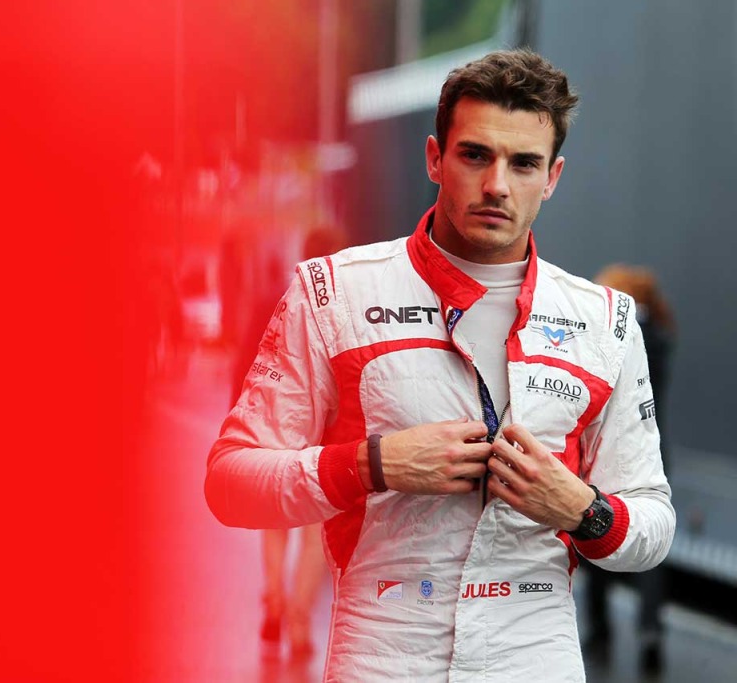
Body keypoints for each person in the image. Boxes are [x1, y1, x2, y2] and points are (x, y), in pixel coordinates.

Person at [204, 48, 675, 682]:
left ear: (553, 176)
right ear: (435, 158)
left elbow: (654, 525)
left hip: (536, 659)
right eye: (475, 155)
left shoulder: (606, 321)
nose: (497, 185)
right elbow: (230, 483)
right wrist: (371, 464)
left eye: (524, 163)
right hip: (383, 659)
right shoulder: (332, 293)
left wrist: (579, 508)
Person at [230, 226, 350, 660]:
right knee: (314, 528)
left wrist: (239, 419)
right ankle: (299, 619)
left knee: (274, 519)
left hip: (274, 425)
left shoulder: (275, 299)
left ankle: (275, 600)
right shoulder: (343, 306)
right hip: (322, 431)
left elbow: (247, 360)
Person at [582, 263, 676, 674]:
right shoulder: (662, 335)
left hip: (605, 451)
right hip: (653, 453)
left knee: (595, 531)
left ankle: (599, 630)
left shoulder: (615, 331)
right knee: (652, 552)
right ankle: (651, 630)